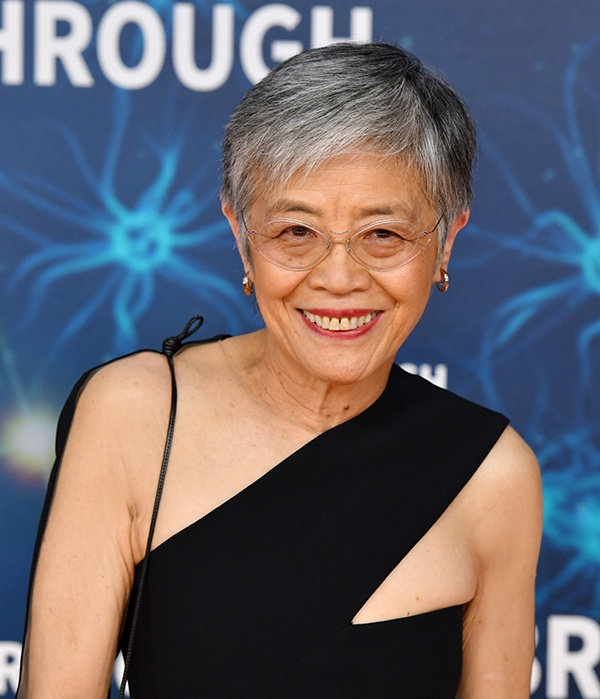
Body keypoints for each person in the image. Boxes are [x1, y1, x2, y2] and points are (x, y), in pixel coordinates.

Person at [17, 42, 542, 698]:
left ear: (446, 239)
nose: (339, 278)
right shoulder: (132, 413)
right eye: (296, 232)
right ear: (241, 233)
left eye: (384, 234)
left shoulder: (495, 475)